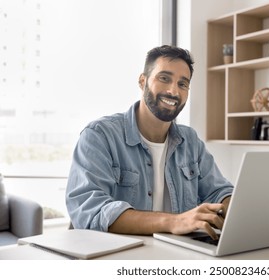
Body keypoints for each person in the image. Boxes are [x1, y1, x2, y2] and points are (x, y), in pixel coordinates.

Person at [66, 45, 233, 240]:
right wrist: (176, 222)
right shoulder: (100, 135)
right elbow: (90, 210)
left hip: (178, 253)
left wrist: (232, 208)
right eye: (164, 78)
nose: (173, 91)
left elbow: (219, 191)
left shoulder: (190, 142)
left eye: (183, 84)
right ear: (142, 81)